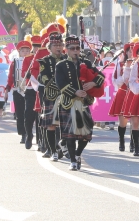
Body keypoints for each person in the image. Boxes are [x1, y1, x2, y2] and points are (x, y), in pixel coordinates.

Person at [54, 33, 105, 171]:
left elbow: (101, 76)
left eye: (77, 48)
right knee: (70, 135)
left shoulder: (86, 63)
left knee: (86, 135)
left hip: (83, 103)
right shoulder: (61, 65)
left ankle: (77, 154)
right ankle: (72, 161)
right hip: (68, 102)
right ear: (67, 49)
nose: (75, 51)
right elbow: (61, 84)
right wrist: (75, 92)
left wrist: (93, 84)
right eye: (72, 48)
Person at [32, 32, 65, 161]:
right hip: (51, 95)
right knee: (51, 124)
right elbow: (42, 76)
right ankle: (52, 150)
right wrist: (53, 83)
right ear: (49, 47)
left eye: (60, 45)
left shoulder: (67, 59)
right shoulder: (45, 61)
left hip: (66, 95)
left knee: (66, 124)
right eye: (55, 45)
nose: (58, 47)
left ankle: (62, 146)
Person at [6, 40, 34, 145]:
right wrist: (8, 87)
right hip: (17, 90)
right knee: (20, 113)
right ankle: (23, 134)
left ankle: (29, 132)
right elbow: (10, 76)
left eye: (27, 50)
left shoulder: (32, 61)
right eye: (23, 51)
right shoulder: (15, 62)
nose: (25, 52)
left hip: (29, 90)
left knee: (29, 113)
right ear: (19, 52)